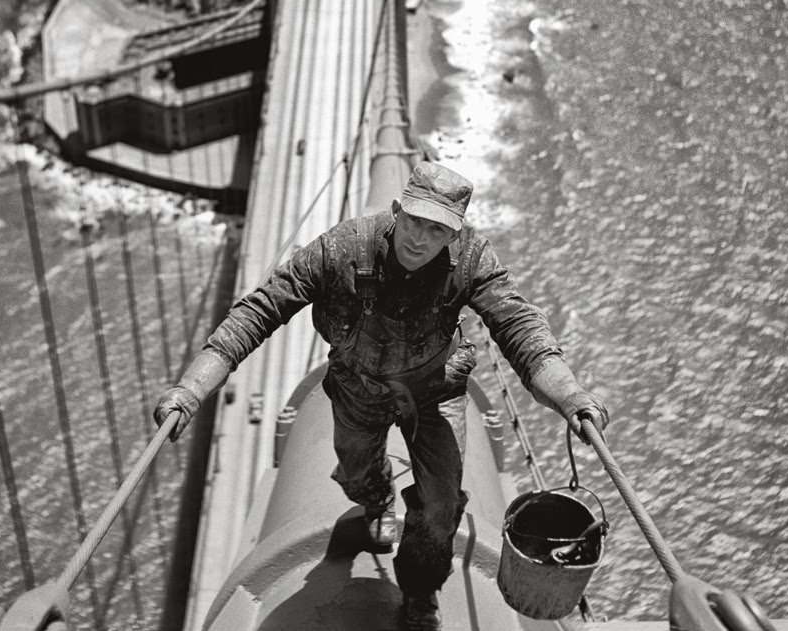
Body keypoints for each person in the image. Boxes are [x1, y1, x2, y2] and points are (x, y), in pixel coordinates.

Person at [154, 161, 609, 631]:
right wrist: (192, 389)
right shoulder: (340, 249)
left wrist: (570, 396)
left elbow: (520, 328)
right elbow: (262, 309)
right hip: (359, 388)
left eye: (436, 230)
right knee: (355, 477)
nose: (419, 239)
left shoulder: (473, 259)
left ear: (454, 235)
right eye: (413, 222)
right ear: (396, 212)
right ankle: (376, 497)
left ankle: (419, 591)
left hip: (435, 391)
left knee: (440, 508)